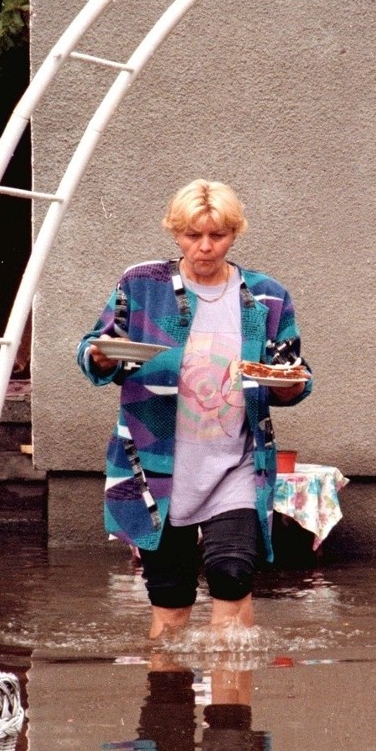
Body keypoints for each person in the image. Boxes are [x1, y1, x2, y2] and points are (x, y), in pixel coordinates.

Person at [78, 178, 312, 639]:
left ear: (234, 234)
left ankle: (230, 706)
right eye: (192, 235)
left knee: (231, 576)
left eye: (217, 236)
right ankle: (167, 700)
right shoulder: (141, 284)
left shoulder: (266, 296)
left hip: (236, 466)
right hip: (156, 467)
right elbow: (93, 351)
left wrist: (287, 385)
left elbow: (292, 373)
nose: (204, 247)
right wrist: (102, 355)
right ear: (175, 233)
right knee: (170, 598)